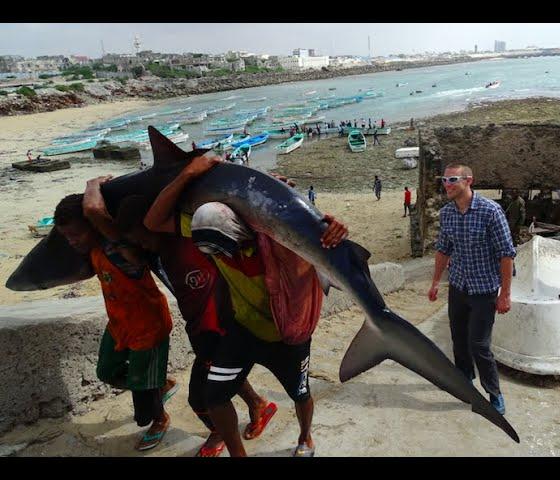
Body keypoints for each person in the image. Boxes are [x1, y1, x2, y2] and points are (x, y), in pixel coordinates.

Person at [144, 155, 349, 457]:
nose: (223, 257)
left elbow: (326, 249)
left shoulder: (276, 237)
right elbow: (153, 221)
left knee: (300, 393)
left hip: (287, 333)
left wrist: (333, 231)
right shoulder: (207, 225)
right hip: (244, 328)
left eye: (227, 246)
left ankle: (306, 437)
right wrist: (188, 173)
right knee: (214, 396)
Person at [89, 190, 274, 458]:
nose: (139, 245)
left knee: (200, 399)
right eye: (133, 241)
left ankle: (219, 430)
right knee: (220, 377)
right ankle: (258, 404)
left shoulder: (189, 239)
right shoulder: (153, 253)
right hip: (200, 329)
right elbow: (105, 225)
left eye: (140, 238)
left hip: (219, 327)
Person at [54, 187, 177, 452]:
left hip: (148, 328)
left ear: (94, 226)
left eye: (76, 234)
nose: (72, 241)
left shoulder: (122, 252)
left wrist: (93, 185)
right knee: (106, 372)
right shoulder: (93, 251)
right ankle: (159, 384)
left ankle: (159, 418)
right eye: (66, 237)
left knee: (143, 392)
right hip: (120, 325)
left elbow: (95, 211)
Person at [427, 164, 516, 416]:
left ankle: (494, 393)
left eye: (453, 179)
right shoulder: (447, 214)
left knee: (479, 344)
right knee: (458, 339)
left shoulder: (490, 212)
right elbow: (443, 250)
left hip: (484, 289)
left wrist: (505, 294)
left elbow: (506, 254)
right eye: (444, 180)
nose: (447, 184)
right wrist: (435, 282)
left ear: (469, 181)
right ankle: (465, 380)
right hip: (458, 286)